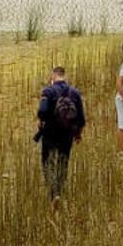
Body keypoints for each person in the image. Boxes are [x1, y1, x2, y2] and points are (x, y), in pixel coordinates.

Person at [37, 67, 85, 200]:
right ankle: (60, 189)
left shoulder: (48, 91)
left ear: (53, 76)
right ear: (64, 75)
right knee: (63, 161)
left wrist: (41, 121)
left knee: (48, 161)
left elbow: (42, 111)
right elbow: (81, 118)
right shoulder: (74, 92)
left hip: (50, 133)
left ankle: (52, 191)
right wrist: (78, 134)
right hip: (67, 133)